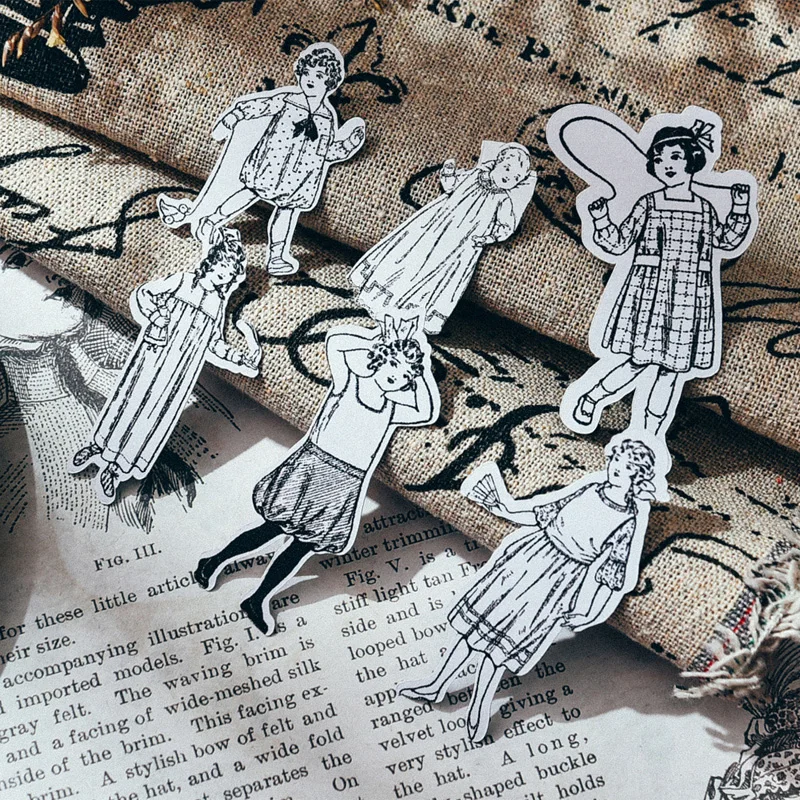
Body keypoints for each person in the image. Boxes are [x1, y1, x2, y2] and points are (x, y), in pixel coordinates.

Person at [194, 316, 440, 635]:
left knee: (303, 547)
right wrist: (378, 337)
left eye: (406, 376)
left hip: (346, 483)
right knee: (272, 529)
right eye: (395, 366)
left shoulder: (393, 409)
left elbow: (426, 410)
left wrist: (421, 365)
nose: (398, 377)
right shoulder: (348, 382)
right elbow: (336, 341)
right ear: (381, 358)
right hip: (314, 467)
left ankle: (258, 599)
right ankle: (213, 562)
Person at [400, 439, 658, 742]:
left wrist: (590, 612)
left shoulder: (629, 519)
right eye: (615, 461)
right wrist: (505, 508)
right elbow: (543, 512)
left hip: (559, 578)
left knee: (500, 646)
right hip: (529, 555)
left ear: (636, 477)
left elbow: (613, 573)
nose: (615, 469)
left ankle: (480, 705)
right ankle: (436, 685)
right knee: (475, 628)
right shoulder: (590, 487)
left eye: (625, 468)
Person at [570, 120, 753, 435]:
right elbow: (618, 243)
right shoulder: (649, 203)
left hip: (689, 297)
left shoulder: (705, 209)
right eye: (659, 159)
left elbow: (726, 241)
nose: (667, 165)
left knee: (672, 370)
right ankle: (592, 397)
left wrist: (739, 207)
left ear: (692, 160)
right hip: (651, 293)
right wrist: (600, 218)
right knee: (637, 362)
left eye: (675, 157)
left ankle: (649, 432)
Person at [70, 230, 261, 502]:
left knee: (153, 416)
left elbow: (214, 343)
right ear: (213, 261)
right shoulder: (182, 281)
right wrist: (156, 315)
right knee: (128, 400)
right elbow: (145, 294)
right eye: (224, 268)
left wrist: (239, 359)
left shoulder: (217, 304)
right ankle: (98, 447)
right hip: (153, 355)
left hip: (179, 372)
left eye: (230, 274)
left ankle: (116, 468)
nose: (225, 276)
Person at [157, 42, 365, 275]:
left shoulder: (327, 118)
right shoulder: (287, 99)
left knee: (286, 213)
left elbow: (326, 152)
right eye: (307, 72)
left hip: (299, 177)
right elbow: (260, 105)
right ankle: (212, 220)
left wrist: (349, 144)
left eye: (319, 76)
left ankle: (276, 257)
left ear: (330, 83)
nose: (311, 79)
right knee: (247, 194)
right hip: (270, 164)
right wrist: (235, 115)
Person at [350, 144, 535, 335]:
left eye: (516, 178)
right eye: (507, 168)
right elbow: (451, 186)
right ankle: (382, 295)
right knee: (412, 254)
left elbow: (506, 227)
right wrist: (448, 173)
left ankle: (408, 311)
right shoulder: (474, 175)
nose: (509, 177)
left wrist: (487, 237)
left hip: (462, 242)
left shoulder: (503, 200)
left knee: (436, 272)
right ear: (497, 162)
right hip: (438, 224)